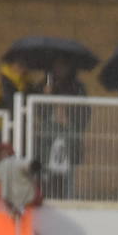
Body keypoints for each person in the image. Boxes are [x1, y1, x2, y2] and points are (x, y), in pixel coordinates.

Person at [36, 55, 92, 200]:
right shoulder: (45, 83)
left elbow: (84, 112)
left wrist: (69, 118)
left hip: (69, 132)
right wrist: (44, 96)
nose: (60, 69)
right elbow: (38, 111)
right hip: (49, 132)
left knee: (67, 174)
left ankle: (67, 200)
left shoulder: (77, 87)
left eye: (64, 65)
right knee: (46, 173)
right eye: (57, 65)